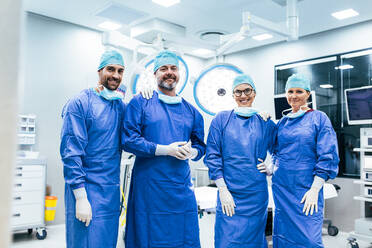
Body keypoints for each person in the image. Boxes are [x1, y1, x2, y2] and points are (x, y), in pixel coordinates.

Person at [122, 50, 206, 248]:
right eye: (163, 69)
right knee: (148, 236)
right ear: (154, 74)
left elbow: (200, 146)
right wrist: (164, 149)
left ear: (179, 74)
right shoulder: (140, 103)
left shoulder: (191, 111)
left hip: (180, 186)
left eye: (173, 68)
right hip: (148, 188)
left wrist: (191, 152)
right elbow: (129, 140)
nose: (169, 72)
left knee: (184, 235)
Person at [60, 50, 126, 248]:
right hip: (86, 189)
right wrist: (80, 197)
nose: (115, 75)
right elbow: (71, 153)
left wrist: (147, 96)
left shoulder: (120, 106)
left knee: (106, 242)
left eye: (120, 71)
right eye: (110, 69)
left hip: (110, 191)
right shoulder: (80, 103)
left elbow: (135, 134)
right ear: (99, 71)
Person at [204, 74, 276, 248]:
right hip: (229, 192)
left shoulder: (264, 121)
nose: (243, 95)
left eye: (247, 91)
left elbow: (280, 150)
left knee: (254, 241)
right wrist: (222, 189)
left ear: (254, 93)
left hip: (256, 194)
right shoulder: (222, 119)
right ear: (233, 95)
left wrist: (271, 167)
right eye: (238, 92)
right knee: (227, 240)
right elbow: (212, 156)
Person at [271, 74, 339, 248]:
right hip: (282, 187)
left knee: (308, 239)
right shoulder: (283, 122)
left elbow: (328, 155)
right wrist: (271, 166)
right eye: (290, 91)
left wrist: (316, 188)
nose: (294, 95)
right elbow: (276, 150)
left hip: (307, 188)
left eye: (299, 91)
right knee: (283, 235)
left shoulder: (319, 118)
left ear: (308, 94)